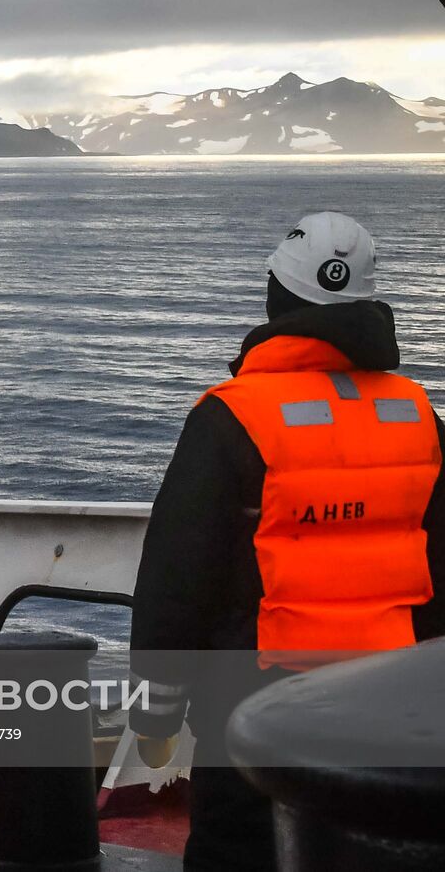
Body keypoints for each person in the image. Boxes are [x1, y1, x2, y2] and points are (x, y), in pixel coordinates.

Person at [130, 212, 445, 871]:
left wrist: (158, 716)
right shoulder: (419, 415)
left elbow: (176, 582)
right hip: (390, 701)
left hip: (254, 700)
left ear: (277, 297)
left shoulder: (230, 417)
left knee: (235, 851)